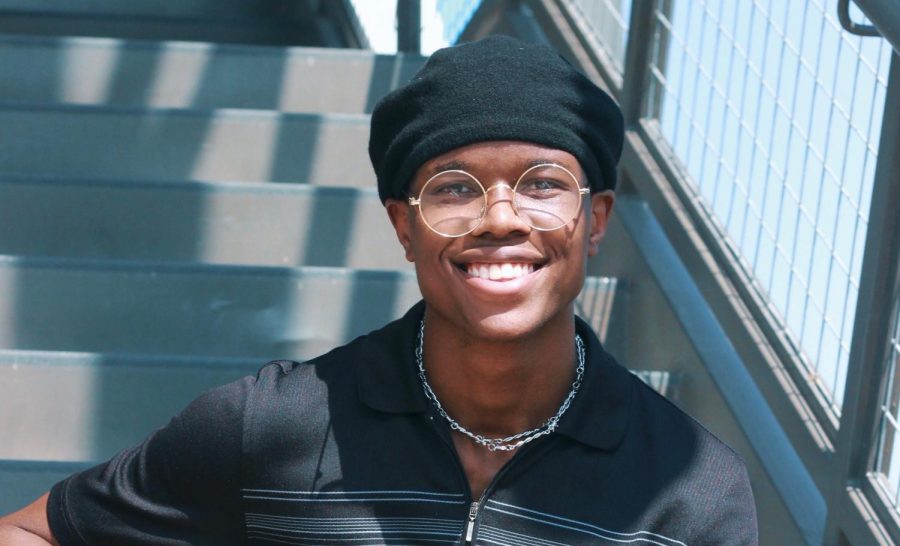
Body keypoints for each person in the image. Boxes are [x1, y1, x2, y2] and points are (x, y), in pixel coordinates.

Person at [0, 35, 758, 545]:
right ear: (403, 226)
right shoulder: (272, 423)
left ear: (594, 220)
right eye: (454, 187)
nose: (500, 218)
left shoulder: (691, 489)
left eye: (542, 185)